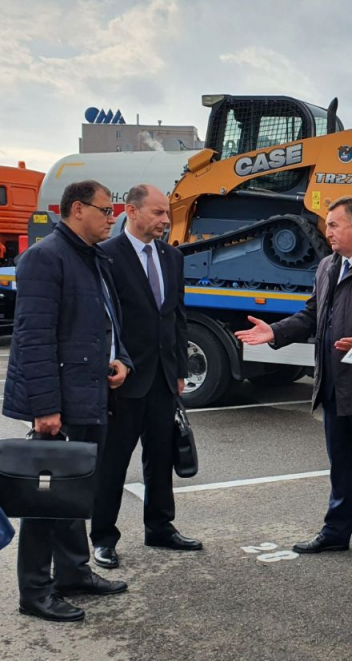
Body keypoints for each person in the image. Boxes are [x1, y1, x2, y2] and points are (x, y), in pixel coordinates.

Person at [235, 197, 352, 578]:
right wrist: (274, 332)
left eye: (333, 224)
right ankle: (336, 532)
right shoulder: (328, 266)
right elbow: (312, 315)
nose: (326, 231)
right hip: (331, 385)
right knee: (340, 468)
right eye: (327, 225)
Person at [3, 180, 132, 622]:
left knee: (76, 489)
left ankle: (74, 573)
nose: (112, 218)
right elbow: (33, 339)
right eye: (105, 210)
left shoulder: (93, 258)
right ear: (77, 209)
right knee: (44, 501)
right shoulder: (44, 258)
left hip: (90, 390)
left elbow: (111, 321)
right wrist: (45, 408)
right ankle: (35, 592)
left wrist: (122, 361)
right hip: (59, 399)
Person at [90, 184, 201, 569]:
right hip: (123, 378)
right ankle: (103, 537)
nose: (165, 220)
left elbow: (176, 316)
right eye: (157, 213)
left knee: (161, 454)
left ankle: (160, 527)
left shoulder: (172, 256)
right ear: (131, 211)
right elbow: (102, 320)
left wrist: (180, 369)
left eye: (166, 213)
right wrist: (109, 364)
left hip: (164, 377)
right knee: (113, 461)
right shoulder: (105, 256)